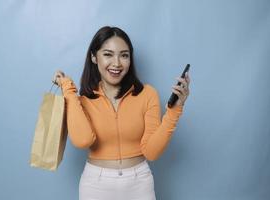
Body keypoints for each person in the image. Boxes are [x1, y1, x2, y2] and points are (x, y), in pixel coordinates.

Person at [52, 26, 190, 200]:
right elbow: (82, 140)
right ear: (94, 57)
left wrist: (174, 111)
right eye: (108, 54)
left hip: (139, 183)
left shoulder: (147, 94)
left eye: (124, 55)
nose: (117, 63)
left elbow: (152, 152)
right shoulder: (83, 100)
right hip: (95, 185)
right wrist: (69, 91)